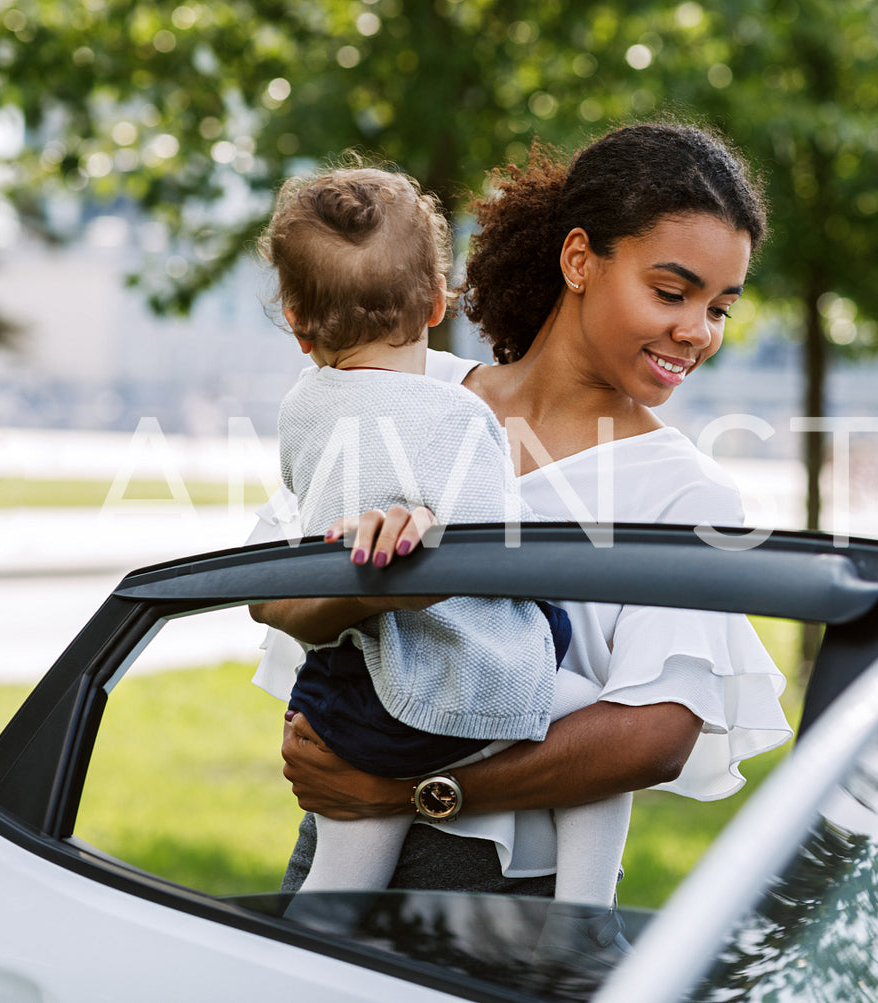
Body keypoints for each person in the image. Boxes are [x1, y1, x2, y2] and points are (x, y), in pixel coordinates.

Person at [250, 122, 790, 931]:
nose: (697, 330)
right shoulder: (400, 382)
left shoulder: (685, 491)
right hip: (334, 832)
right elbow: (270, 592)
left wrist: (414, 791)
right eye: (671, 292)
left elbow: (654, 736)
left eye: (719, 307)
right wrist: (374, 583)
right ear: (579, 260)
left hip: (505, 903)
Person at [257, 164, 632, 916]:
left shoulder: (301, 408)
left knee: (335, 887)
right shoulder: (454, 415)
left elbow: (297, 531)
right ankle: (584, 919)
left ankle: (295, 962)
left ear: (297, 323)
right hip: (448, 678)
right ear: (436, 301)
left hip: (345, 697)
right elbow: (497, 549)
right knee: (590, 711)